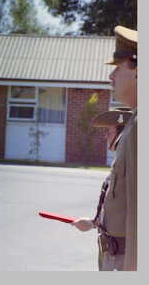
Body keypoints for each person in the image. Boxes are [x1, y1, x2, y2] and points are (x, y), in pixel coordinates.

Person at [71, 25, 137, 271]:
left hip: (127, 259)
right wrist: (93, 222)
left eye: (117, 69)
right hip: (114, 253)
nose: (111, 77)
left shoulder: (137, 130)